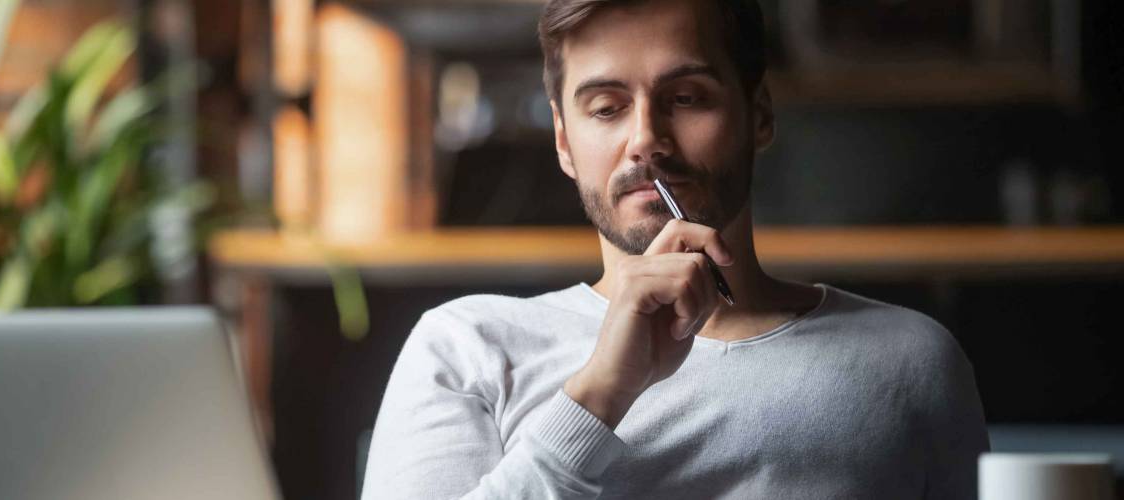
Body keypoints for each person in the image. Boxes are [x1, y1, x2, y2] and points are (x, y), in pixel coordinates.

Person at [361, 0, 989, 498]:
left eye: (686, 98)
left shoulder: (910, 361)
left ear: (759, 113)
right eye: (606, 108)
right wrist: (601, 393)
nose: (647, 141)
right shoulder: (465, 350)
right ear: (563, 141)